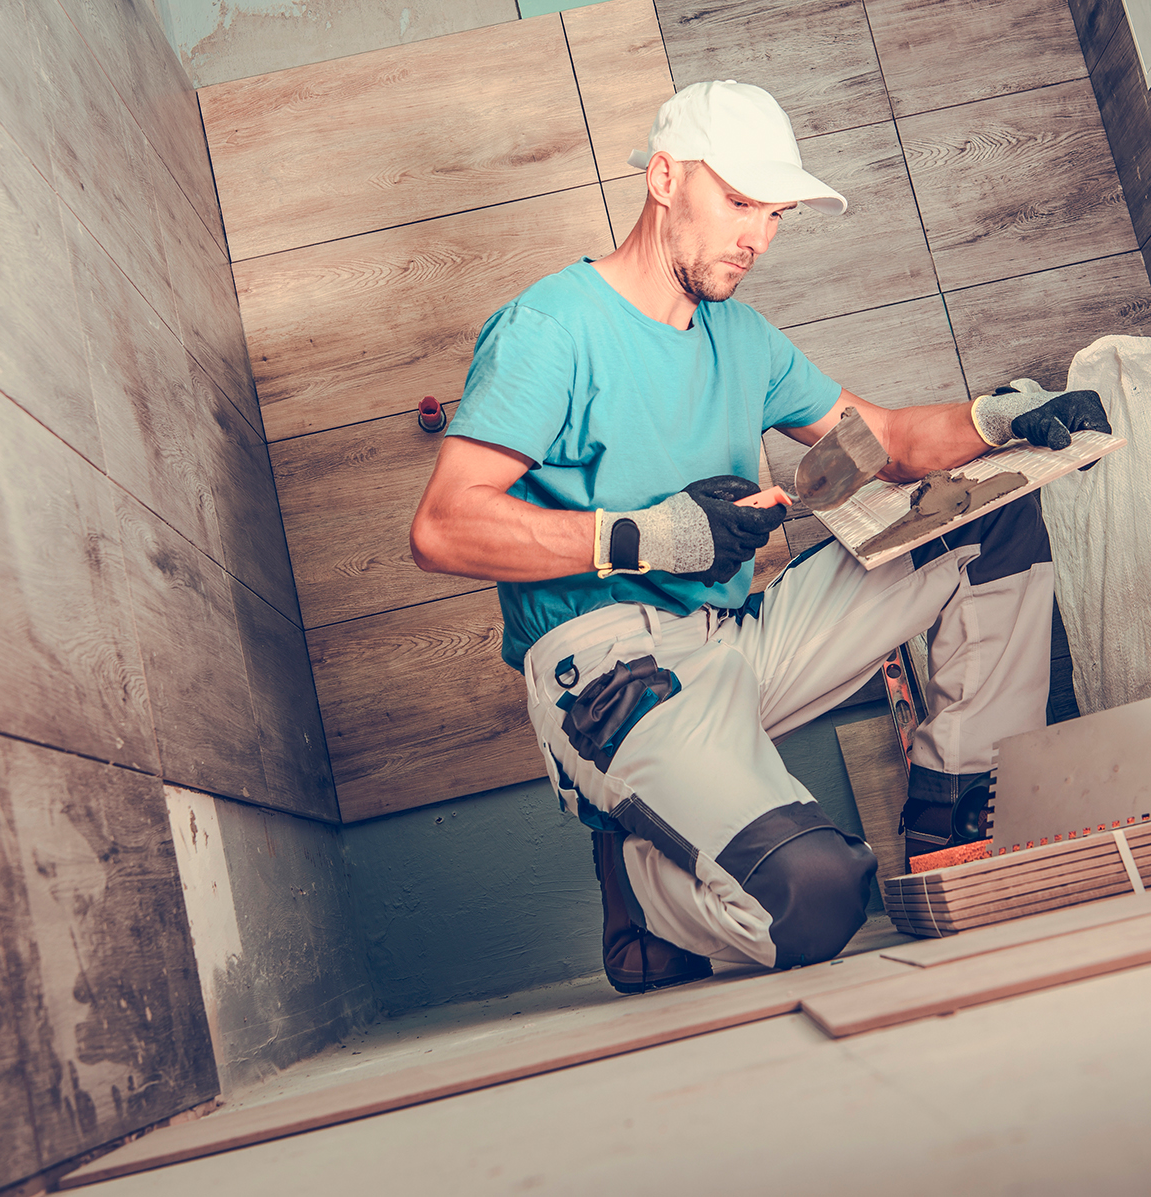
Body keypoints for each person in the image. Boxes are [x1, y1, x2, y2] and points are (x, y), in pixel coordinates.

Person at [409, 80, 1111, 994]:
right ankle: (636, 886)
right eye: (738, 202)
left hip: (742, 639)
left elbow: (888, 442)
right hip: (616, 670)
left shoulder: (742, 336)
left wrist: (1000, 418)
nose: (757, 236)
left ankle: (955, 829)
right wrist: (652, 534)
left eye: (773, 213)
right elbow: (443, 525)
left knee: (990, 521)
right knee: (815, 899)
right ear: (665, 178)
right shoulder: (552, 329)